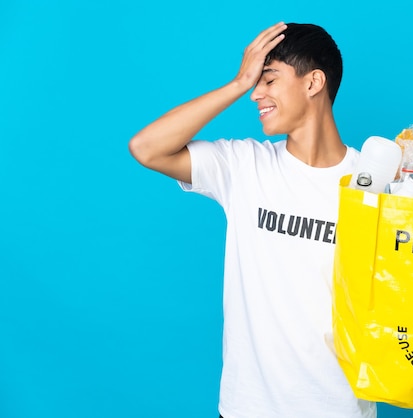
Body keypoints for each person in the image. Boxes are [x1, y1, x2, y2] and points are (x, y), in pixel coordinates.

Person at [129, 22, 377, 418]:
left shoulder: (375, 183)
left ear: (314, 82)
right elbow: (146, 148)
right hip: (248, 407)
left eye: (269, 79)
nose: (255, 94)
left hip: (340, 407)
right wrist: (238, 82)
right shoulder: (244, 165)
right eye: (255, 83)